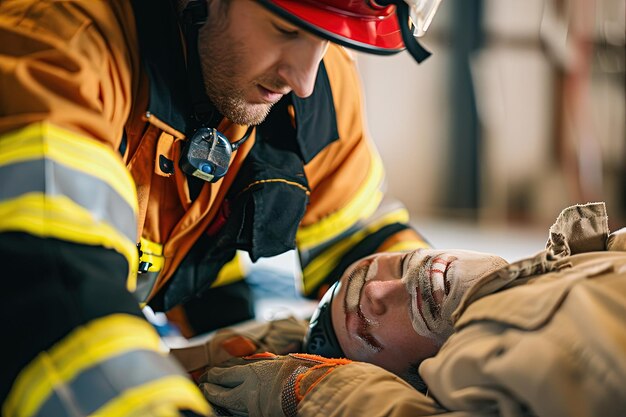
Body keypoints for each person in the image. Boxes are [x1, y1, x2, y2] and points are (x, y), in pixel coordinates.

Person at [0, 0, 444, 416]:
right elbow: (48, 289)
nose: (303, 79)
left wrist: (462, 308)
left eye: (326, 38)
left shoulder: (316, 86)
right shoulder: (53, 44)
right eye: (286, 28)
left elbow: (361, 244)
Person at [200, 202, 626, 417]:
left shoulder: (596, 250)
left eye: (401, 262)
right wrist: (320, 391)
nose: (393, 285)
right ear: (416, 385)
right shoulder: (479, 375)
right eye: (367, 325)